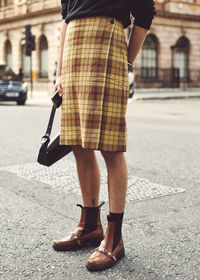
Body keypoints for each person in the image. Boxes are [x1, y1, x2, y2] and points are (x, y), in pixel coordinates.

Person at [53, 0, 156, 272]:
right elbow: (66, 19)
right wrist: (60, 71)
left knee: (110, 145)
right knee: (76, 142)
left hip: (107, 42)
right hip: (73, 46)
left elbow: (145, 12)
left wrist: (126, 61)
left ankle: (115, 237)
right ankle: (89, 226)